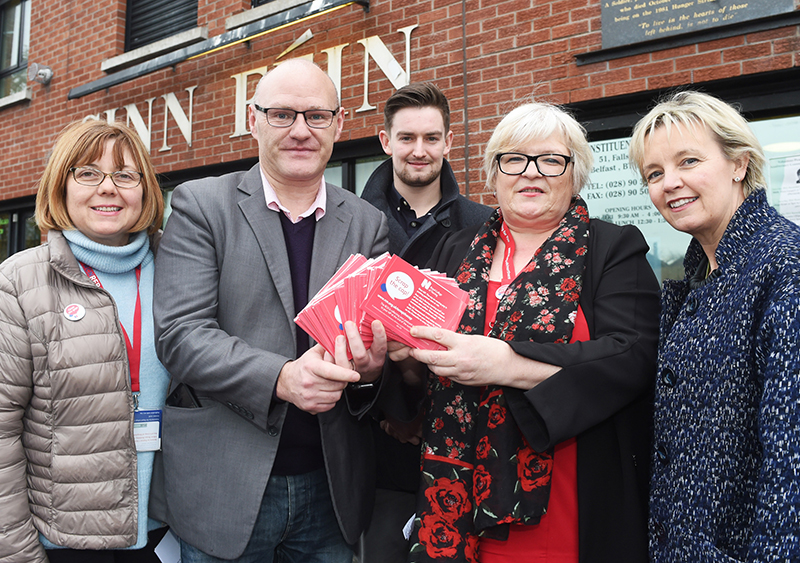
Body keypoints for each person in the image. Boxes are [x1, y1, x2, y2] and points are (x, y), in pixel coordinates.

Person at [388, 101, 660, 562]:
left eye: (551, 160)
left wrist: (507, 364)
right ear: (494, 174)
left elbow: (632, 358)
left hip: (568, 498)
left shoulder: (613, 247)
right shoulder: (453, 249)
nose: (530, 172)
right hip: (455, 500)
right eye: (514, 159)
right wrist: (406, 359)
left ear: (575, 174)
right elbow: (420, 382)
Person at [152, 58, 390, 563]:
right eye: (282, 115)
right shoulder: (201, 205)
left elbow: (372, 349)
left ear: (339, 124)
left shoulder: (367, 222)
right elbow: (181, 335)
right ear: (253, 120)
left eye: (316, 116)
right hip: (224, 485)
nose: (300, 131)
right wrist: (281, 378)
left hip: (331, 489)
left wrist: (371, 369)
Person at [629, 90, 800, 562]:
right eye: (654, 173)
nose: (670, 183)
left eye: (688, 161)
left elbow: (791, 457)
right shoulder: (701, 273)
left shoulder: (783, 266)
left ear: (739, 164)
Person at [0, 120, 168, 563]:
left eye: (125, 175)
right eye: (88, 173)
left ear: (145, 189)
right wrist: (18, 554)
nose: (107, 187)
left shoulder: (182, 268)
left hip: (171, 532)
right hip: (67, 542)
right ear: (61, 185)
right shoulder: (19, 281)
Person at [359, 82, 492, 563]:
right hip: (375, 444)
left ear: (449, 142)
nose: (420, 150)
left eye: (431, 138)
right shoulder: (351, 219)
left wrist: (423, 412)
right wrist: (394, 414)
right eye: (407, 137)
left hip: (460, 439)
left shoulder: (484, 223)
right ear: (385, 141)